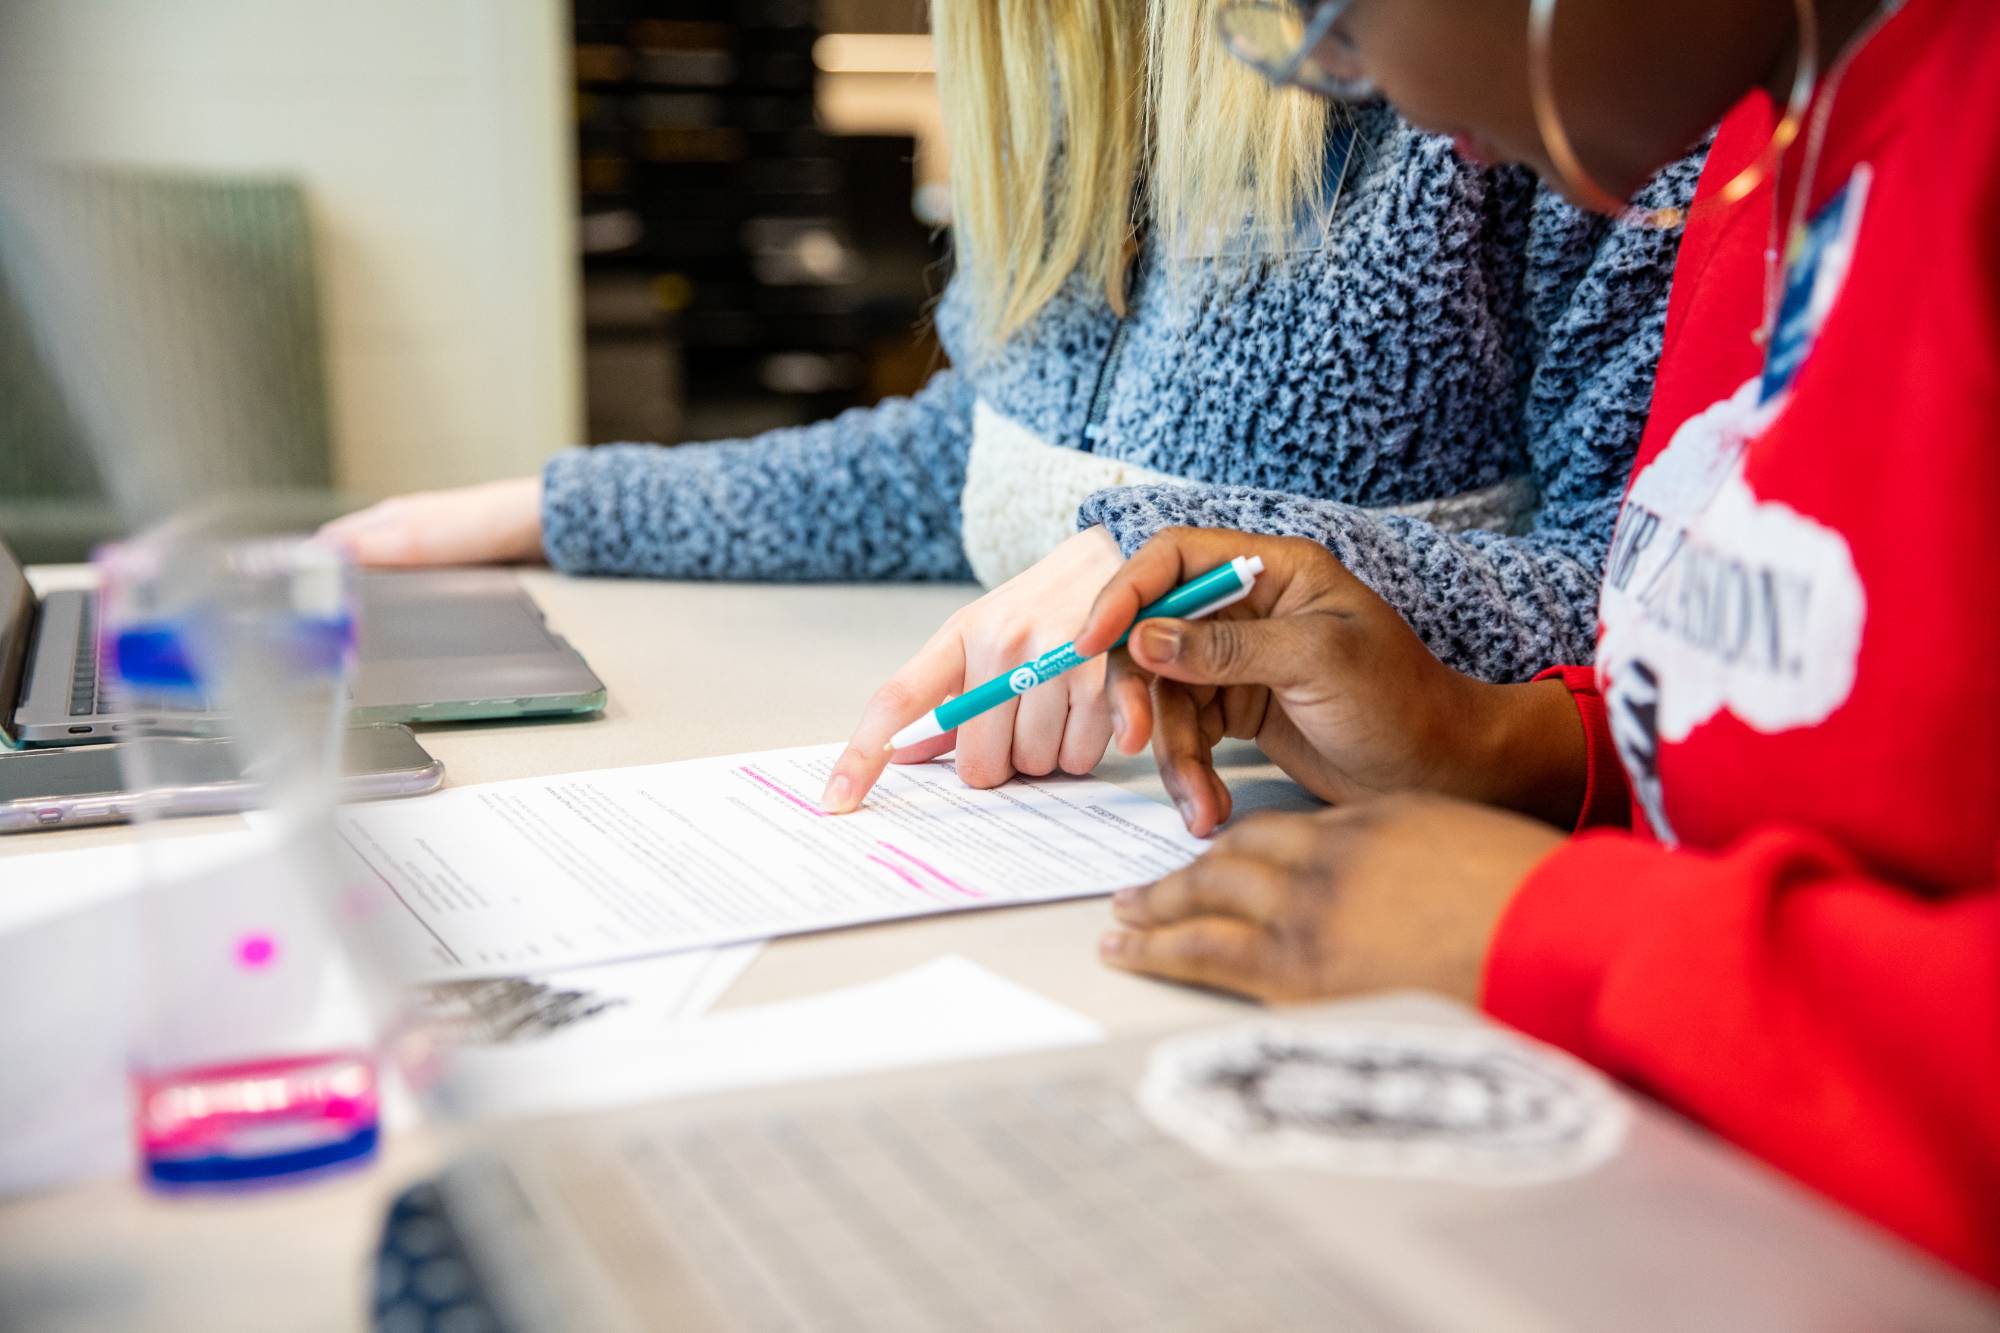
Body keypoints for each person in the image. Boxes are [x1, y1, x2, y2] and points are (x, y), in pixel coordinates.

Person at [1076, 0, 2000, 1286]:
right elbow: (1848, 749)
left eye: (1330, 12)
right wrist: (1497, 744)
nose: (1349, 79)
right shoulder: (1758, 153)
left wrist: (1554, 930)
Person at [322, 0, 1700, 810]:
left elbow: (1660, 587)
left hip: (1358, 853)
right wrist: (554, 509)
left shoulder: (1554, 70)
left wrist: (1185, 553)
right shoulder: (1050, 64)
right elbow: (980, 460)